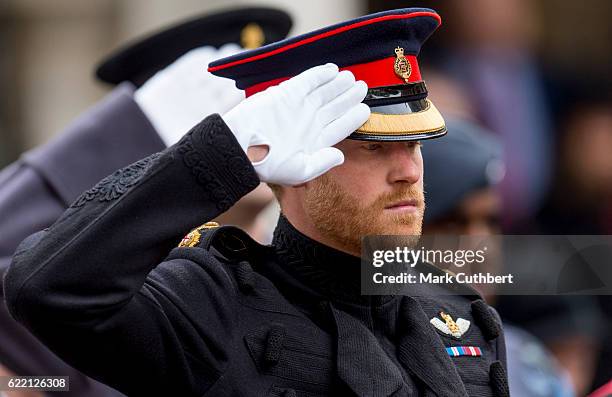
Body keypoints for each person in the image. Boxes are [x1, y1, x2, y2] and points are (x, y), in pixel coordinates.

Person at [4, 8, 508, 396]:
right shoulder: (209, 302)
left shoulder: (456, 311)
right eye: (374, 148)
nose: (408, 173)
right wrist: (218, 155)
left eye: (414, 143)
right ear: (298, 160)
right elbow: (47, 289)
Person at [0, 7, 291, 397]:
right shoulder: (99, 275)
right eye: (226, 118)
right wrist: (121, 136)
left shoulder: (299, 252)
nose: (253, 133)